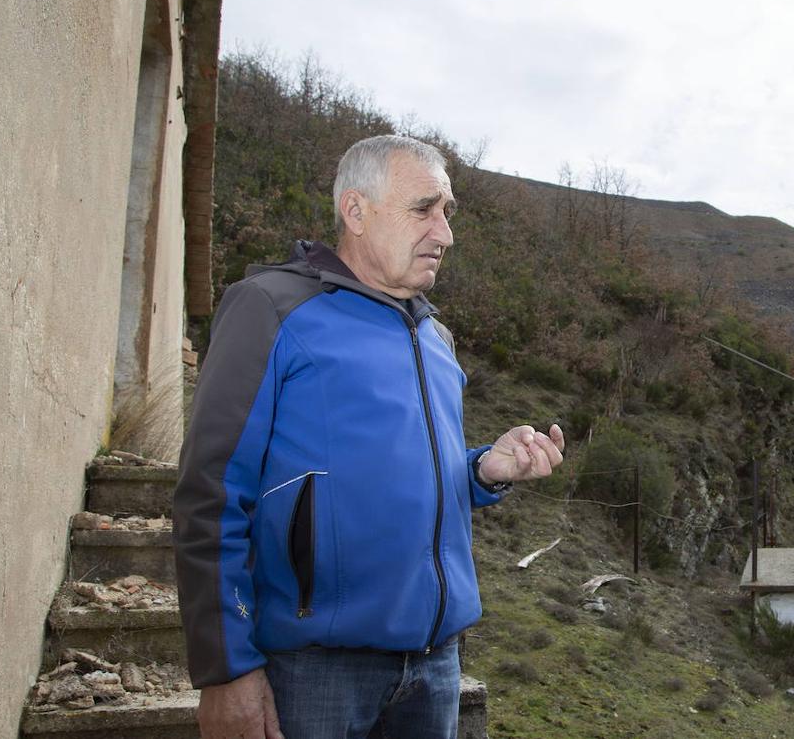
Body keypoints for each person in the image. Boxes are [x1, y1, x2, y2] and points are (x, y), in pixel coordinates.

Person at [173, 135, 565, 739]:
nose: (445, 233)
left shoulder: (438, 340)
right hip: (314, 670)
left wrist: (485, 470)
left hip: (436, 665)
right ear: (355, 212)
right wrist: (225, 670)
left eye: (447, 213)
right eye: (423, 209)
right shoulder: (271, 309)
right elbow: (211, 493)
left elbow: (405, 475)